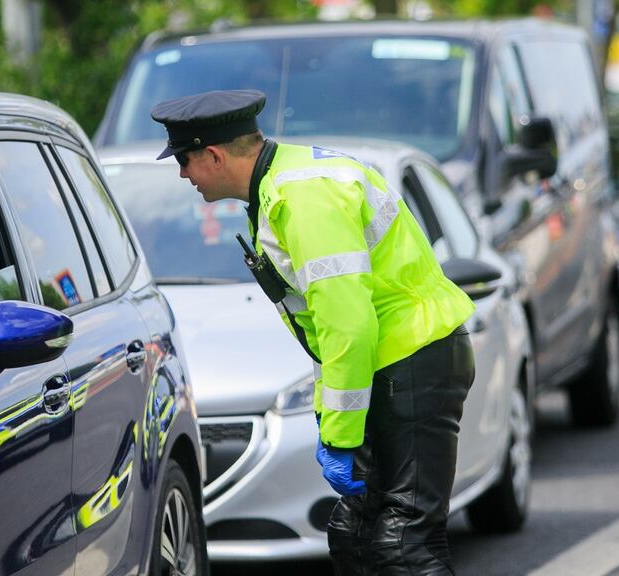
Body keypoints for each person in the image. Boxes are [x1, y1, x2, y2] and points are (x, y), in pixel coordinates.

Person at [151, 89, 476, 575]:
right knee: (356, 534)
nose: (182, 174)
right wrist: (333, 415)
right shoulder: (281, 184)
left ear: (214, 155)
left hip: (413, 361)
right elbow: (325, 331)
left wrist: (342, 435)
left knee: (403, 544)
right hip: (396, 364)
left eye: (184, 159)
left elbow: (348, 323)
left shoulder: (301, 199)